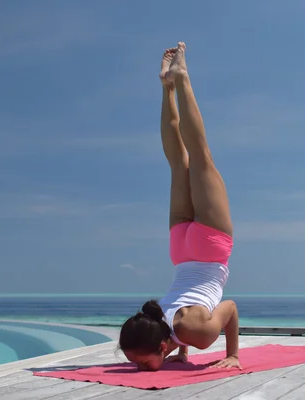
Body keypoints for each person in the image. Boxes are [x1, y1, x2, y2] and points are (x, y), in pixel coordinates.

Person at [118, 42, 240, 372]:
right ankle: (166, 88)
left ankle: (181, 78)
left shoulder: (193, 333)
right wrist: (181, 350)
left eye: (142, 362)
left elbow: (228, 308)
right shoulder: (157, 316)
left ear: (162, 345)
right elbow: (191, 316)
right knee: (178, 163)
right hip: (180, 251)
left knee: (198, 155)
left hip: (209, 248)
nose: (140, 368)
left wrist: (232, 355)